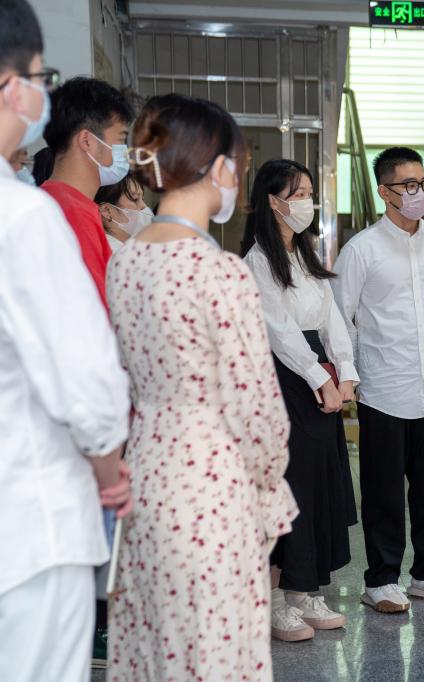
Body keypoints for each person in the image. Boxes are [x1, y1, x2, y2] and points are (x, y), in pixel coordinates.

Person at [105, 93, 297, 680]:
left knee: (158, 646)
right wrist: (271, 480)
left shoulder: (125, 260)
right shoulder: (219, 271)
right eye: (235, 164)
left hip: (146, 475)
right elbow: (256, 410)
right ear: (215, 167)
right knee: (212, 648)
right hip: (210, 483)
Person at [0, 2, 132, 680]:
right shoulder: (37, 215)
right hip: (34, 511)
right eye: (36, 76)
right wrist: (111, 467)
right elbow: (83, 365)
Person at [332, 146, 424, 612]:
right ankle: (381, 579)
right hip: (384, 389)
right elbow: (341, 318)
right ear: (384, 192)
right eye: (409, 185)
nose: (419, 192)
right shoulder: (360, 249)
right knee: (384, 492)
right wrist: (352, 374)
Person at [242, 159, 359, 642]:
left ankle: (305, 591)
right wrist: (318, 378)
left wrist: (345, 371)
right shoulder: (258, 260)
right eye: (299, 193)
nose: (308, 202)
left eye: (310, 192)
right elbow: (279, 331)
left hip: (318, 373)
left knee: (318, 485)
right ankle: (274, 600)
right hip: (284, 378)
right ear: (274, 201)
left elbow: (331, 318)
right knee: (291, 484)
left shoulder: (306, 256)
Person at [40, 76, 133, 307]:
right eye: (121, 139)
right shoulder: (72, 213)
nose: (124, 151)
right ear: (87, 141)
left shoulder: (57, 200)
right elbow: (96, 311)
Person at [95, 173, 152, 252]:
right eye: (135, 199)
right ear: (107, 211)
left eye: (142, 199)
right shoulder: (112, 253)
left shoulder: (128, 249)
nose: (144, 206)